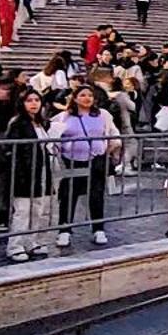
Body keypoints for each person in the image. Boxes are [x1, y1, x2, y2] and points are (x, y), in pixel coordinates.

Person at [52, 83, 117, 246]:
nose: (86, 98)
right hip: (72, 160)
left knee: (96, 194)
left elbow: (113, 134)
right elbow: (54, 136)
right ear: (74, 98)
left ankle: (98, 229)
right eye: (82, 95)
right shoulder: (64, 116)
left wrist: (109, 149)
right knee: (68, 195)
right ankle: (64, 230)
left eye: (89, 95)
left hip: (96, 159)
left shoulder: (103, 115)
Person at [3, 89, 57, 260]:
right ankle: (15, 246)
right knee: (22, 211)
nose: (34, 103)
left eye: (36, 100)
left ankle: (31, 241)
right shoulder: (18, 123)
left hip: (41, 170)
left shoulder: (42, 123)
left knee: (38, 209)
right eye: (29, 100)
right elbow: (12, 149)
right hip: (24, 173)